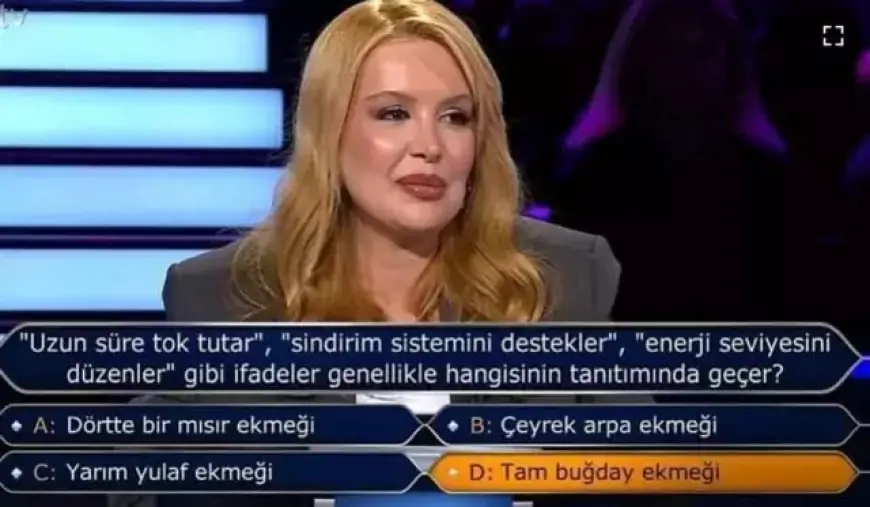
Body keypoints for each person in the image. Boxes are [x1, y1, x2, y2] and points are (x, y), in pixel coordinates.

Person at [112, 1, 649, 506]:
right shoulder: (227, 296)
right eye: (393, 113)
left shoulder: (560, 277)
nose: (430, 146)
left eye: (456, 117)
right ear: (331, 130)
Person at [552, 0, 793, 321]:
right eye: (668, 50)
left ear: (731, 64)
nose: (685, 68)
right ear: (639, 61)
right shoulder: (593, 174)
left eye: (702, 52)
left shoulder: (767, 181)